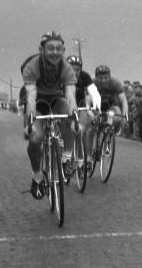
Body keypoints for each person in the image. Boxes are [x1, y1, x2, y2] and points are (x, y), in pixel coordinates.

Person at [22, 31, 78, 200]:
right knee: (36, 139)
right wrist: (31, 120)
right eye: (51, 48)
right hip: (38, 103)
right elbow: (31, 97)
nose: (55, 52)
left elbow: (70, 96)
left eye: (59, 49)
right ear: (42, 49)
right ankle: (37, 175)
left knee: (69, 117)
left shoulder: (66, 67)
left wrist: (73, 114)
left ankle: (67, 157)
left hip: (55, 99)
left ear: (63, 50)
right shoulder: (32, 66)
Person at [66, 55, 101, 168]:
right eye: (72, 69)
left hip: (79, 105)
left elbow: (94, 92)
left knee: (80, 130)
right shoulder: (61, 75)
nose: (75, 72)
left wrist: (96, 108)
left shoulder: (84, 76)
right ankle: (64, 152)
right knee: (66, 130)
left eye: (77, 69)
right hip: (64, 104)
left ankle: (80, 159)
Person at [93, 64, 129, 131]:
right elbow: (87, 100)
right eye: (100, 78)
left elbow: (124, 101)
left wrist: (125, 116)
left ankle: (109, 127)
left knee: (117, 117)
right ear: (96, 77)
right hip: (96, 106)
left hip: (111, 106)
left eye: (106, 78)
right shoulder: (92, 83)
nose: (103, 81)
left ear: (109, 76)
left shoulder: (115, 83)